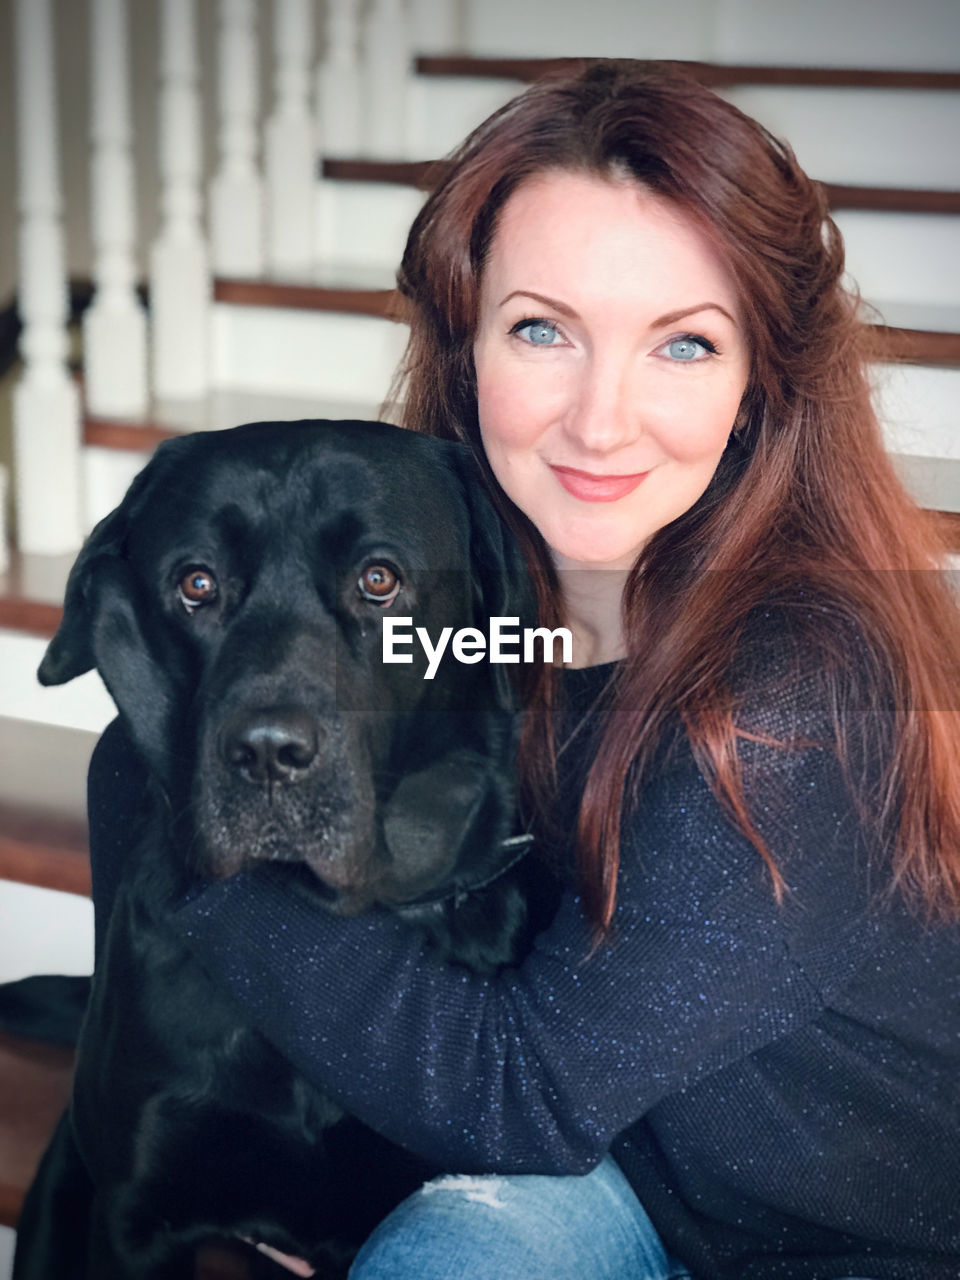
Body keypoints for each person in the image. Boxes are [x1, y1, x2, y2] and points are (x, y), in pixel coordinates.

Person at [87, 60, 960, 1279]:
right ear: (468, 342)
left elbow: (518, 1092)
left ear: (764, 381)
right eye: (543, 328)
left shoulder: (802, 686)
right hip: (627, 1182)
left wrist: (194, 817)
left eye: (685, 344)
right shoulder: (499, 598)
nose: (601, 421)